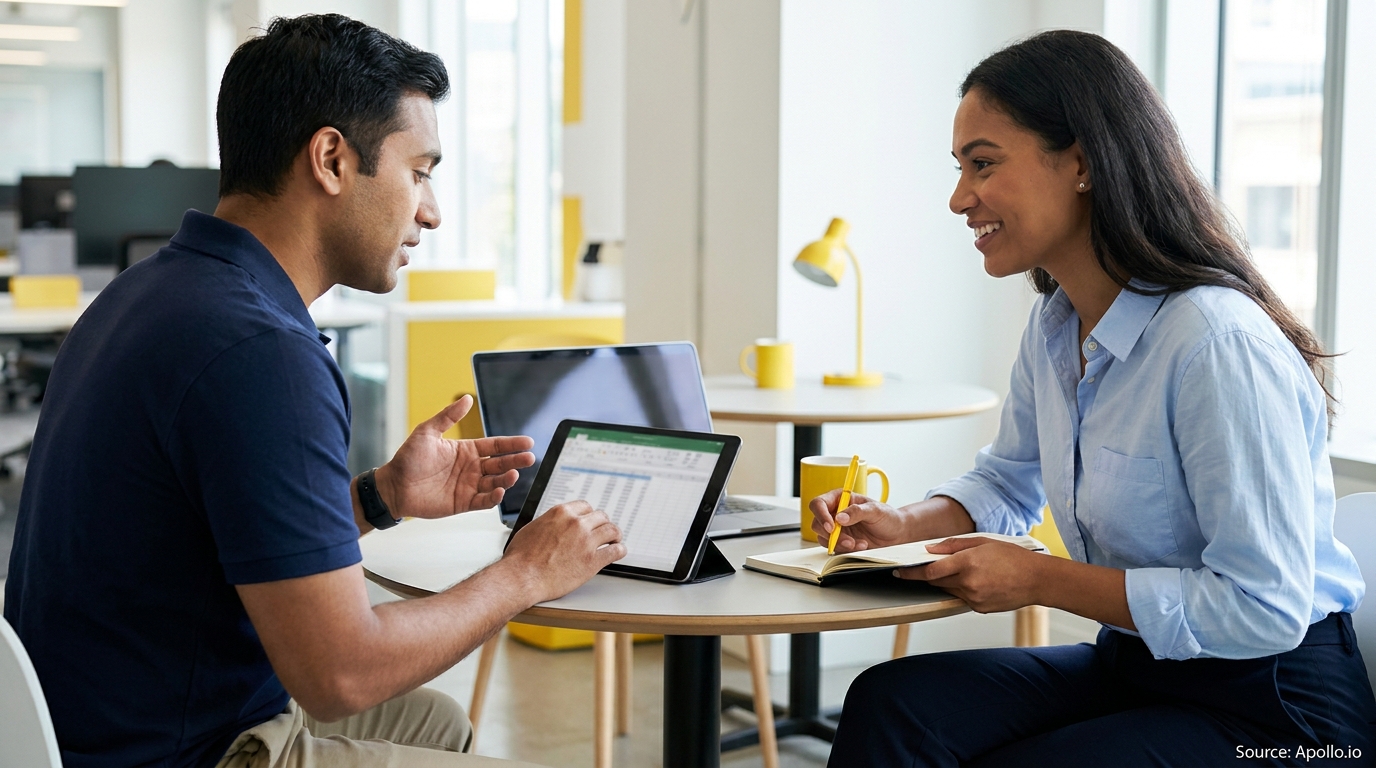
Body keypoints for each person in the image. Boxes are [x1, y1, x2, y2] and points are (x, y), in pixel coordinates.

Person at [3, 14, 625, 768]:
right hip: (179, 748)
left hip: (97, 720)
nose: (431, 211)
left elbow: (213, 533)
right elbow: (341, 673)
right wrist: (527, 572)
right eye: (420, 172)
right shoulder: (261, 352)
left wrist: (381, 495)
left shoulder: (149, 293)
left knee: (437, 726)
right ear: (331, 158)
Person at [813, 30, 1376, 768]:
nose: (959, 199)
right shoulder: (1055, 328)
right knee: (894, 703)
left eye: (983, 164)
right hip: (1142, 668)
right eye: (959, 169)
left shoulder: (1214, 344)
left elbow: (1262, 607)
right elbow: (1005, 479)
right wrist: (903, 524)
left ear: (1080, 161)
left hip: (1285, 716)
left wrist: (1041, 579)